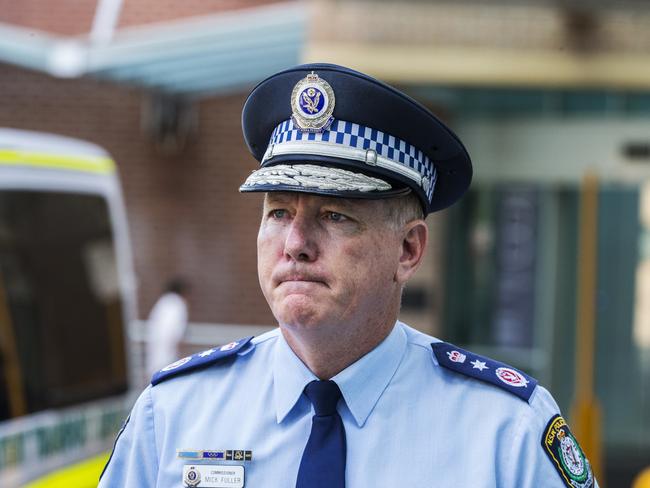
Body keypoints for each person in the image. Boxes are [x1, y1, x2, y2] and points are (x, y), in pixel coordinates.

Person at [100, 64, 598, 487]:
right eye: (277, 213)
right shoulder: (173, 414)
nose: (295, 243)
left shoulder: (504, 434)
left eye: (335, 216)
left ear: (408, 249)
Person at [145, 278, 190, 378]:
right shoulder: (178, 305)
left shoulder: (161, 303)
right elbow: (176, 335)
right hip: (169, 360)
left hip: (154, 359)